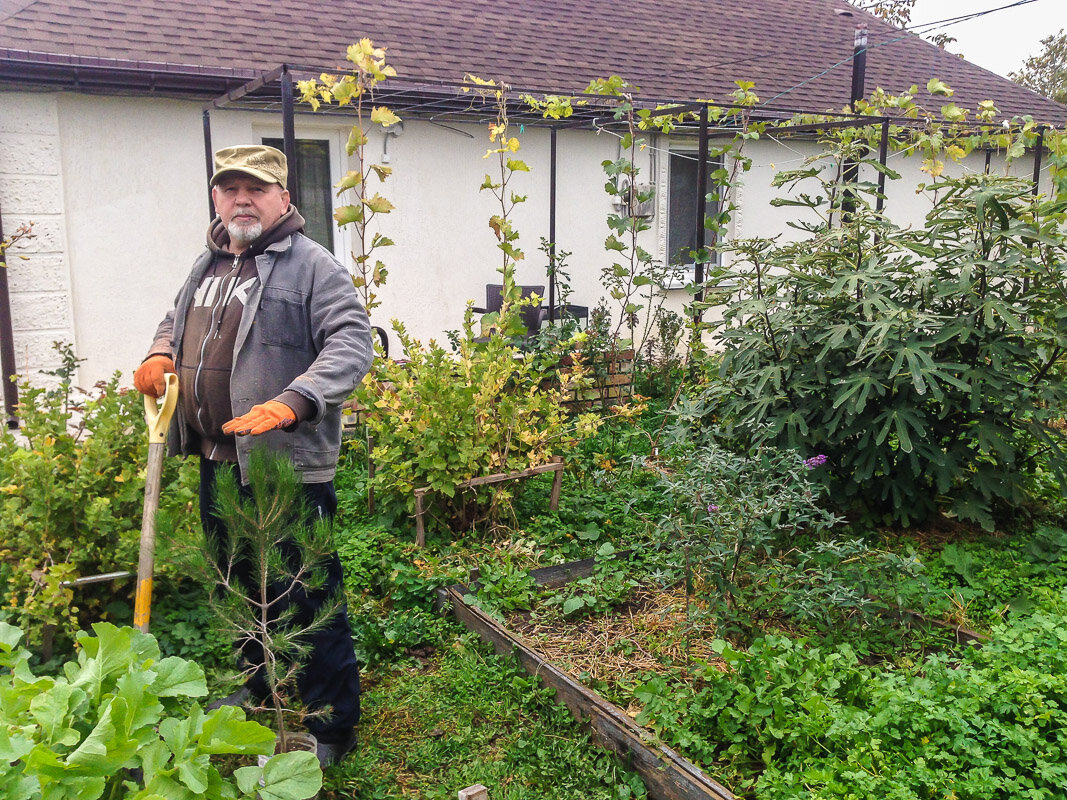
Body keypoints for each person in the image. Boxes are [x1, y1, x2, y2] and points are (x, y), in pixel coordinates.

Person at [133, 144, 372, 766]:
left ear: (283, 198)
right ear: (216, 198)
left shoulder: (312, 266)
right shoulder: (208, 263)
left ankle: (331, 723)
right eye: (230, 188)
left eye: (257, 189)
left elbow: (352, 340)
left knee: (306, 590)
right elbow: (177, 318)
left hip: (284, 464)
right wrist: (161, 351)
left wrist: (297, 400)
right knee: (240, 583)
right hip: (218, 458)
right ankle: (260, 684)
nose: (243, 199)